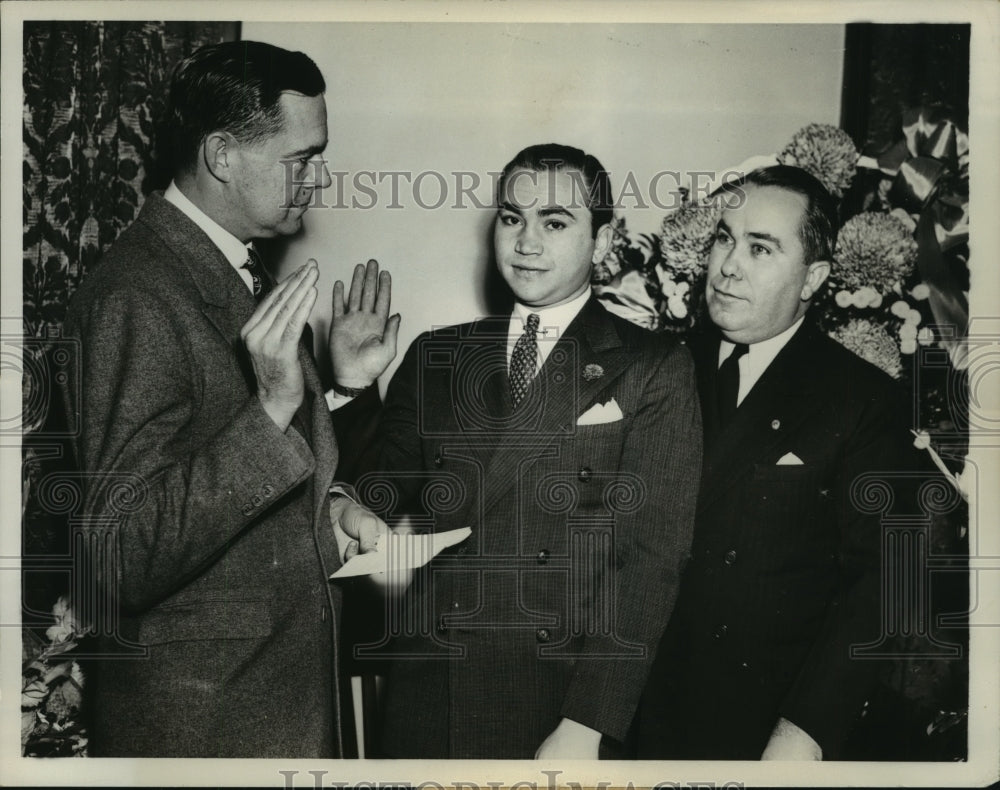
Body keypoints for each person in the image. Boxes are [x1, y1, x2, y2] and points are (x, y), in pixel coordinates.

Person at [60, 41, 398, 757]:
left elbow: (249, 486)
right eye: (300, 158)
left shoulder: (243, 272)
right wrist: (273, 408)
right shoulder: (136, 294)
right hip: (205, 731)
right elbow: (116, 559)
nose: (319, 177)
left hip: (269, 710)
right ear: (222, 155)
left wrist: (335, 509)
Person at [340, 143, 702, 759]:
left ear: (604, 239)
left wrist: (588, 723)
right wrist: (351, 387)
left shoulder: (652, 366)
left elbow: (651, 565)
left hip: (557, 704)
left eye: (555, 223)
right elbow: (373, 487)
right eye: (512, 218)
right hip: (432, 690)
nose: (526, 242)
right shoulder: (438, 354)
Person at [637, 165, 918, 760]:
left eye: (760, 248)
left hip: (760, 729)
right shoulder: (657, 367)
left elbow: (884, 584)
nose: (728, 265)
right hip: (627, 712)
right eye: (724, 238)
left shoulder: (863, 399)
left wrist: (806, 732)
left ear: (813, 277)